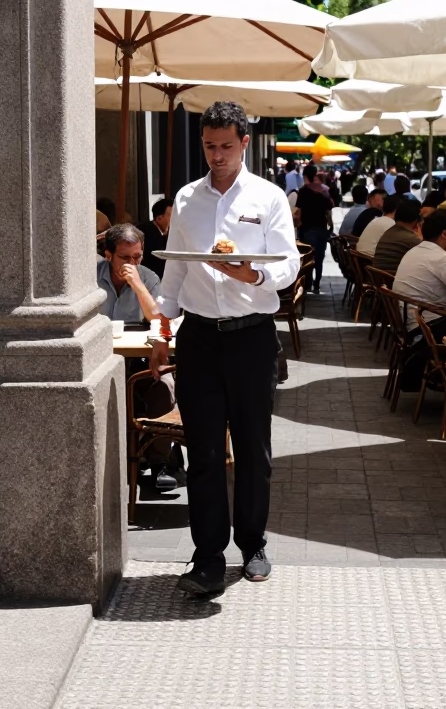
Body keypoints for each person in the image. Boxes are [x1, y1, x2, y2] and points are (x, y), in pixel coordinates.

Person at [150, 101, 300, 594]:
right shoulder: (188, 198)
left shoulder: (269, 196)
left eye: (226, 146)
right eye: (209, 146)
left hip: (253, 335)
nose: (217, 155)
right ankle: (208, 555)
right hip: (198, 338)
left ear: (244, 143)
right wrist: (159, 332)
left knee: (254, 449)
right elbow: (173, 273)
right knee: (206, 452)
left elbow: (288, 267)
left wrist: (252, 272)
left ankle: (252, 543)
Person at [98, 224, 178, 491]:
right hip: (99, 358)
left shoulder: (148, 277)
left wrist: (136, 282)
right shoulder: (90, 277)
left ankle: (159, 463)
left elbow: (157, 317)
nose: (132, 263)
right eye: (125, 257)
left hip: (139, 359)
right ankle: (108, 463)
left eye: (137, 256)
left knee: (163, 386)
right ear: (108, 254)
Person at [393, 207, 446, 340]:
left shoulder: (416, 250)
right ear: (445, 234)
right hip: (427, 330)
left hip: (411, 324)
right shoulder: (441, 258)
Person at [295, 164, 333, 294]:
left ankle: (308, 284)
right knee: (319, 257)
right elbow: (329, 211)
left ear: (305, 176)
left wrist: (298, 224)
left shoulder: (303, 191)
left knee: (308, 257)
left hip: (307, 229)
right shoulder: (324, 190)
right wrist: (330, 225)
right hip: (321, 228)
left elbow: (298, 211)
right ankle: (317, 283)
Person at [373, 199, 423, 274]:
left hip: (377, 279)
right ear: (416, 221)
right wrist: (421, 238)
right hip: (392, 281)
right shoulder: (412, 239)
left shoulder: (388, 232)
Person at [357, 192, 400, 257]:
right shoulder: (392, 224)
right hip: (371, 262)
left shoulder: (376, 219)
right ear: (397, 210)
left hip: (359, 258)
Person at [141, 197, 173, 277]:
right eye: (172, 216)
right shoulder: (148, 233)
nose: (175, 220)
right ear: (159, 218)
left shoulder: (162, 234)